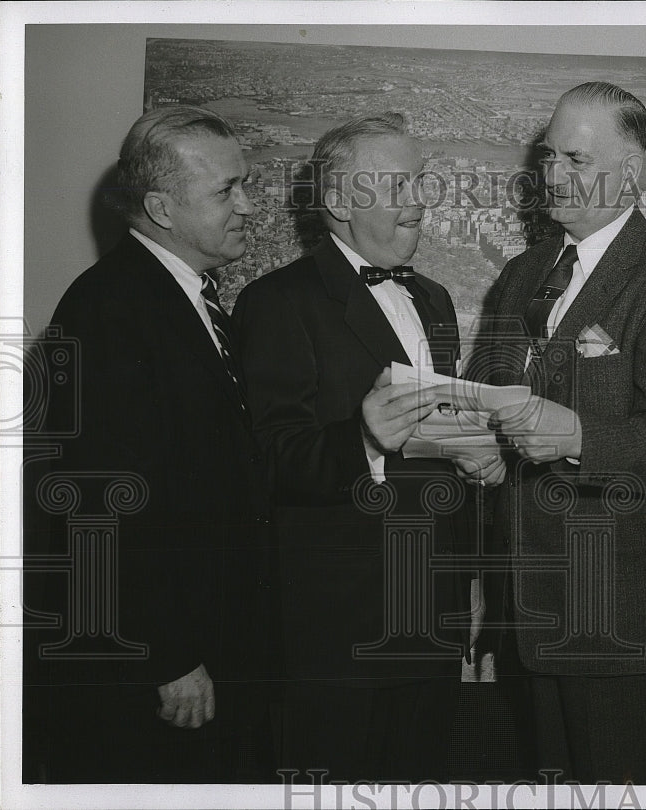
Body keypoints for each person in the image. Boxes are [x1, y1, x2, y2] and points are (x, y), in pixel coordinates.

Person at [473, 82, 646, 784]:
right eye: (550, 157)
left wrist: (578, 433)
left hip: (622, 630)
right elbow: (494, 405)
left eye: (578, 161)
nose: (555, 176)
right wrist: (471, 442)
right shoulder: (523, 275)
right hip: (529, 619)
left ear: (633, 170)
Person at [22, 106, 276, 782]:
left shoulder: (178, 295)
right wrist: (167, 656)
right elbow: (99, 504)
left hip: (203, 642)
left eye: (245, 183)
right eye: (227, 190)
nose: (249, 205)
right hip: (158, 665)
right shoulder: (110, 308)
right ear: (161, 207)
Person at [232, 113, 472, 782]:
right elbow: (272, 464)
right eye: (396, 185)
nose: (419, 200)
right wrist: (362, 437)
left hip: (431, 626)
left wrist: (475, 455)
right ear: (337, 203)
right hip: (337, 643)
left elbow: (431, 451)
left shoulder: (434, 299)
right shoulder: (277, 302)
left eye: (419, 181)